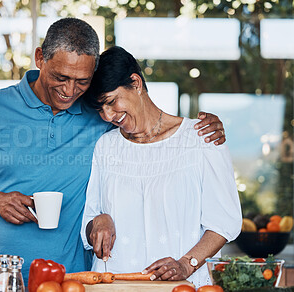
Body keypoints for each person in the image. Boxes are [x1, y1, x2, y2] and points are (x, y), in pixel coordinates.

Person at [0, 18, 226, 286]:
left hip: (72, 280)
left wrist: (197, 130)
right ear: (40, 58)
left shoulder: (98, 116)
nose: (70, 90)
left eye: (82, 81)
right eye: (60, 77)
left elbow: (146, 127)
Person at [81, 46, 242, 288]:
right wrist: (98, 222)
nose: (107, 115)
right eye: (100, 109)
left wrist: (186, 264)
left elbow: (224, 223)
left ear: (135, 83)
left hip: (183, 286)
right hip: (115, 284)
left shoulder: (201, 138)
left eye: (111, 102)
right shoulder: (106, 146)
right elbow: (89, 220)